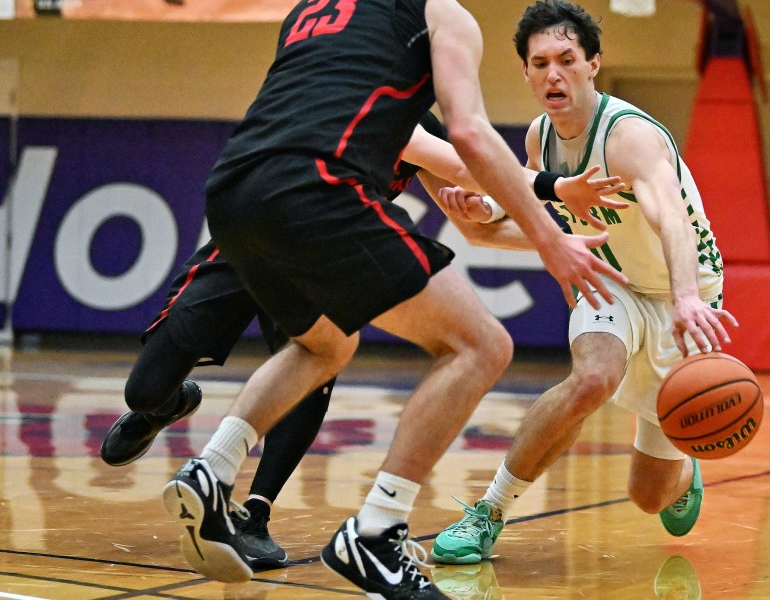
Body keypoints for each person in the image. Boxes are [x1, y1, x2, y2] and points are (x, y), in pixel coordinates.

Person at [159, 0, 625, 600]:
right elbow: (467, 130)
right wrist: (551, 239)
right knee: (482, 346)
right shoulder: (437, 7)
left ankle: (213, 471)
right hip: (316, 189)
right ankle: (377, 529)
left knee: (324, 346)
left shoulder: (314, 6)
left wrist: (466, 190)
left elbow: (381, 123)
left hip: (235, 188)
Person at [102, 110, 621, 571]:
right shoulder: (357, 93)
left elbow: (477, 222)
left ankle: (255, 512)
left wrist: (534, 231)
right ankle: (166, 407)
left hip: (322, 251)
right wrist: (551, 196)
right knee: (145, 389)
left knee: (317, 358)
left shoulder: (424, 120)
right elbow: (473, 168)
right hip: (258, 237)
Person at [430, 0, 736, 565]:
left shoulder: (628, 136)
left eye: (566, 59)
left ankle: (681, 468)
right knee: (593, 378)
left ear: (593, 63)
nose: (554, 73)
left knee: (649, 498)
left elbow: (670, 215)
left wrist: (689, 296)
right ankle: (490, 512)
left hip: (680, 294)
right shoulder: (536, 141)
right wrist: (480, 215)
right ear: (524, 71)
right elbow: (522, 228)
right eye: (540, 62)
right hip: (611, 283)